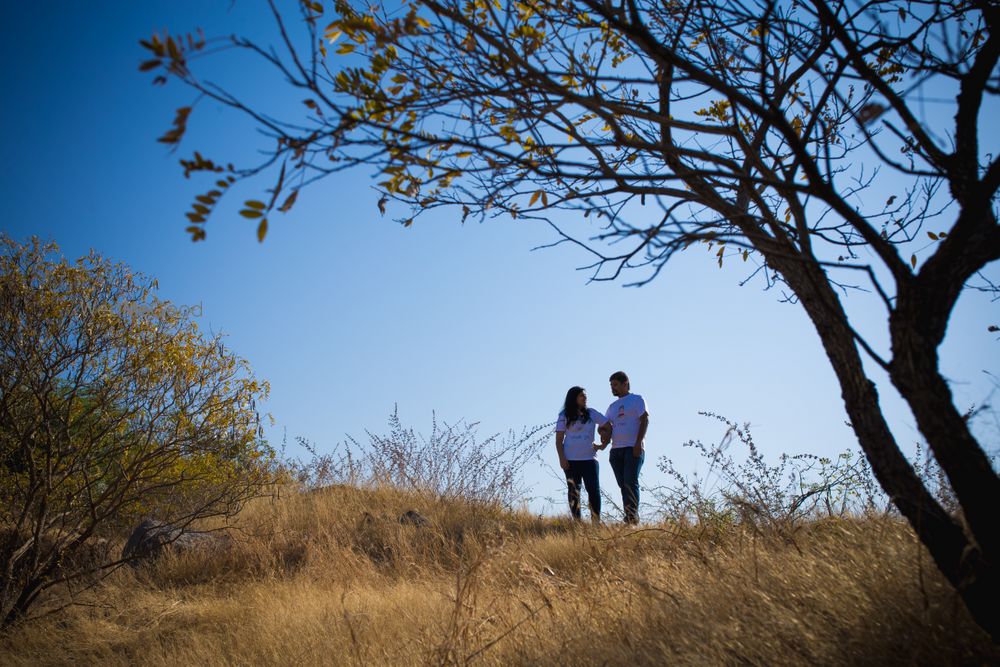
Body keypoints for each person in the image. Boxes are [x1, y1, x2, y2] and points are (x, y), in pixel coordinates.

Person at [598, 371, 649, 524]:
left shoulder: (637, 399)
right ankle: (629, 516)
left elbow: (645, 420)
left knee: (630, 482)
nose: (612, 388)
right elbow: (606, 427)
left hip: (632, 448)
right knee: (623, 485)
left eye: (615, 385)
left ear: (625, 383)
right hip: (616, 451)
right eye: (611, 385)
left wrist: (638, 443)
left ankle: (632, 518)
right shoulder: (612, 407)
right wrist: (602, 435)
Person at [555, 386, 609, 522]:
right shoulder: (563, 415)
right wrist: (562, 458)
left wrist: (603, 444)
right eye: (581, 396)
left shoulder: (592, 413)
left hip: (590, 459)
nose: (585, 398)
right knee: (574, 490)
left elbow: (608, 426)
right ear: (574, 398)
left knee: (594, 490)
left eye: (585, 396)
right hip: (571, 460)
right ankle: (577, 522)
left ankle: (596, 521)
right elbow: (559, 440)